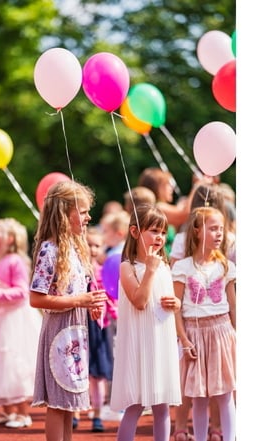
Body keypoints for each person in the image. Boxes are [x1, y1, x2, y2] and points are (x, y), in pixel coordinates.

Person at [29, 180, 109, 441]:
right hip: (58, 332)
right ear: (65, 213)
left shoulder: (76, 249)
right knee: (58, 402)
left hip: (76, 329)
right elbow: (36, 299)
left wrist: (91, 307)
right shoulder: (49, 250)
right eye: (83, 211)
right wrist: (79, 301)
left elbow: (81, 293)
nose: (88, 217)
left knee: (68, 401)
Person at [110, 204, 182, 441]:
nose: (160, 237)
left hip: (161, 341)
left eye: (163, 232)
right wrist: (150, 271)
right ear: (134, 232)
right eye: (154, 231)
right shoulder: (127, 267)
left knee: (162, 406)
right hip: (141, 345)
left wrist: (176, 304)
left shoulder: (164, 266)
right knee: (137, 404)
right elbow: (140, 301)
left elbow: (166, 302)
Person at [171, 206, 237, 441]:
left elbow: (233, 306)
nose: (219, 234)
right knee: (198, 395)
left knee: (225, 393)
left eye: (221, 229)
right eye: (213, 229)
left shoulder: (226, 267)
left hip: (222, 333)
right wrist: (184, 338)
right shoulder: (182, 267)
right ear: (198, 231)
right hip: (194, 334)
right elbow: (176, 309)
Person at [0, 218, 43, 428]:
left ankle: (22, 412)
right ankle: (6, 409)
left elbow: (21, 292)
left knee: (16, 361)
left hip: (15, 319)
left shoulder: (15, 261)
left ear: (10, 239)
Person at [73, 225, 117, 432]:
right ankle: (75, 412)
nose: (92, 249)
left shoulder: (103, 271)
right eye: (88, 244)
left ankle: (97, 415)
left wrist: (115, 314)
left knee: (98, 373)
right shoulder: (75, 271)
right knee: (76, 370)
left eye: (97, 245)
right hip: (79, 325)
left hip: (99, 327)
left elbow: (110, 297)